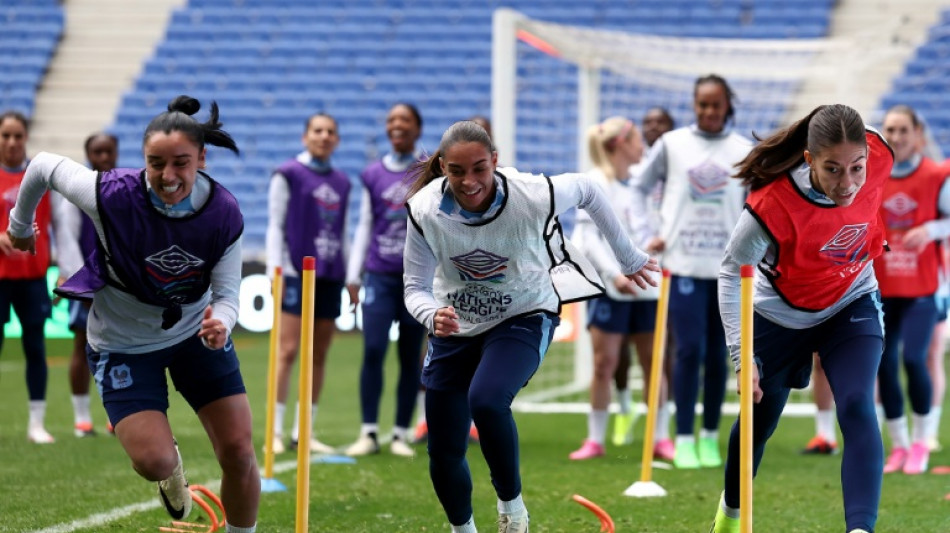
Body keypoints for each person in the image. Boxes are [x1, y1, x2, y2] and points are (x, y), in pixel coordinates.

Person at [7, 95, 260, 532]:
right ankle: (171, 469)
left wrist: (224, 321)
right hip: (123, 343)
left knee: (238, 452)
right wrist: (19, 225)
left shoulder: (224, 213)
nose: (168, 176)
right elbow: (44, 164)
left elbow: (229, 294)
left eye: (181, 162)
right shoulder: (110, 195)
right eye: (155, 163)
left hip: (195, 334)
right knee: (152, 461)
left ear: (202, 158)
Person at [403, 120, 659, 533]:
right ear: (443, 168)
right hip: (456, 326)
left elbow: (591, 190)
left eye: (479, 168)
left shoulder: (532, 193)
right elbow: (414, 286)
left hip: (524, 314)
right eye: (457, 171)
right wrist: (432, 314)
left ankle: (513, 512)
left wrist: (628, 258)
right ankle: (462, 529)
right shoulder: (424, 209)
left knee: (486, 400)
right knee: (444, 448)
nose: (469, 182)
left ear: (495, 162)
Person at [710, 104, 892, 533]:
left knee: (857, 403)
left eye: (856, 168)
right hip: (780, 315)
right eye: (832, 170)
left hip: (852, 299)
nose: (847, 184)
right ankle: (730, 517)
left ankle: (860, 529)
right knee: (758, 420)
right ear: (809, 160)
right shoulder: (770, 204)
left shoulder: (880, 154)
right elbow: (730, 273)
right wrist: (743, 355)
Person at [632, 74, 753, 469]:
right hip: (681, 266)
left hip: (728, 270)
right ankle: (683, 437)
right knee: (687, 350)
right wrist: (649, 231)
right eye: (702, 104)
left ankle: (708, 437)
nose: (709, 111)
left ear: (727, 106)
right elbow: (638, 187)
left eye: (716, 104)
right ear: (694, 105)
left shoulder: (742, 150)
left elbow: (757, 202)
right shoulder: (672, 145)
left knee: (720, 355)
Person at [567, 116, 669, 460]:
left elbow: (653, 227)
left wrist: (657, 241)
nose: (642, 145)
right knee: (603, 362)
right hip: (611, 288)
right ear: (618, 145)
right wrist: (615, 276)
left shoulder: (644, 184)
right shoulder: (595, 183)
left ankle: (660, 438)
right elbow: (588, 240)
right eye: (637, 138)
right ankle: (595, 439)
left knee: (653, 362)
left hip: (649, 287)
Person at [344, 102, 426, 457]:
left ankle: (399, 434)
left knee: (410, 356)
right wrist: (353, 274)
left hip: (416, 278)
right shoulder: (372, 175)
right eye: (391, 120)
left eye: (404, 120)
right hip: (378, 274)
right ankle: (368, 432)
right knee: (373, 349)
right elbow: (364, 224)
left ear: (416, 129)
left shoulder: (428, 170)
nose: (397, 125)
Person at [265, 112, 350, 454]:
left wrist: (347, 273)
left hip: (329, 273)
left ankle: (304, 431)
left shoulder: (343, 182)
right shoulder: (288, 174)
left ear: (337, 140)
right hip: (297, 272)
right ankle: (274, 429)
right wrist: (278, 270)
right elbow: (275, 225)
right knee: (286, 351)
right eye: (317, 130)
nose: (324, 136)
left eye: (330, 131)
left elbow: (341, 230)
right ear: (305, 137)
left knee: (318, 354)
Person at [875, 104, 950, 475]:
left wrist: (932, 231)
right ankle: (899, 446)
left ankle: (922, 441)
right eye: (890, 129)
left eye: (903, 130)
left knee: (914, 359)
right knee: (884, 364)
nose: (897, 137)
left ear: (917, 133)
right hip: (883, 289)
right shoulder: (872, 176)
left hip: (923, 289)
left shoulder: (937, 175)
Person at [608, 107, 677, 449]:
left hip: (662, 273)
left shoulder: (676, 167)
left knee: (662, 354)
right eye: (646, 123)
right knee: (614, 354)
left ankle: (663, 431)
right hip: (622, 277)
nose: (653, 128)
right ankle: (623, 409)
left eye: (659, 122)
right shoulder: (625, 175)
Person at [0, 110, 59, 444]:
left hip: (33, 276)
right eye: (5, 135)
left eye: (17, 136)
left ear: (26, 138)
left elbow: (57, 224)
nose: (11, 142)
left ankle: (37, 423)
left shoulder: (40, 177)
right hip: (0, 276)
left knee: (35, 347)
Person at [55, 132, 119, 437]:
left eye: (108, 152)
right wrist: (80, 280)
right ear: (88, 154)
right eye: (98, 152)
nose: (104, 158)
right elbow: (67, 236)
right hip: (86, 282)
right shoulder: (76, 191)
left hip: (118, 284)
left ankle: (115, 415)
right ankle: (82, 418)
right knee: (81, 345)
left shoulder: (123, 188)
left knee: (118, 347)